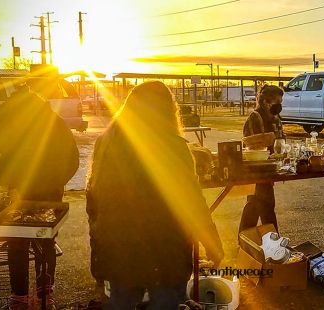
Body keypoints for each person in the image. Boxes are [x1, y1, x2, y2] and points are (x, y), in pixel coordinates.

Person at [86, 81, 224, 309]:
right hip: (165, 253)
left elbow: (93, 199)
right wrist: (211, 242)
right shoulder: (173, 146)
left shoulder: (106, 143)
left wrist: (100, 250)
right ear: (167, 111)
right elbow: (191, 201)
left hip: (118, 251)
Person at [0, 83, 79, 309]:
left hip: (16, 191)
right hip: (47, 193)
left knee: (17, 243)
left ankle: (20, 298)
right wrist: (56, 182)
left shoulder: (4, 119)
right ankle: (45, 294)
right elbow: (72, 158)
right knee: (46, 241)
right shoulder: (53, 120)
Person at [238, 84, 284, 233]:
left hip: (270, 167)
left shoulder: (276, 118)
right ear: (265, 102)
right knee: (263, 205)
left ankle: (246, 240)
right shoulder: (255, 117)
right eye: (277, 102)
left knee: (256, 205)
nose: (279, 106)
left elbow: (281, 140)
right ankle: (272, 242)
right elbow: (251, 144)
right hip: (256, 169)